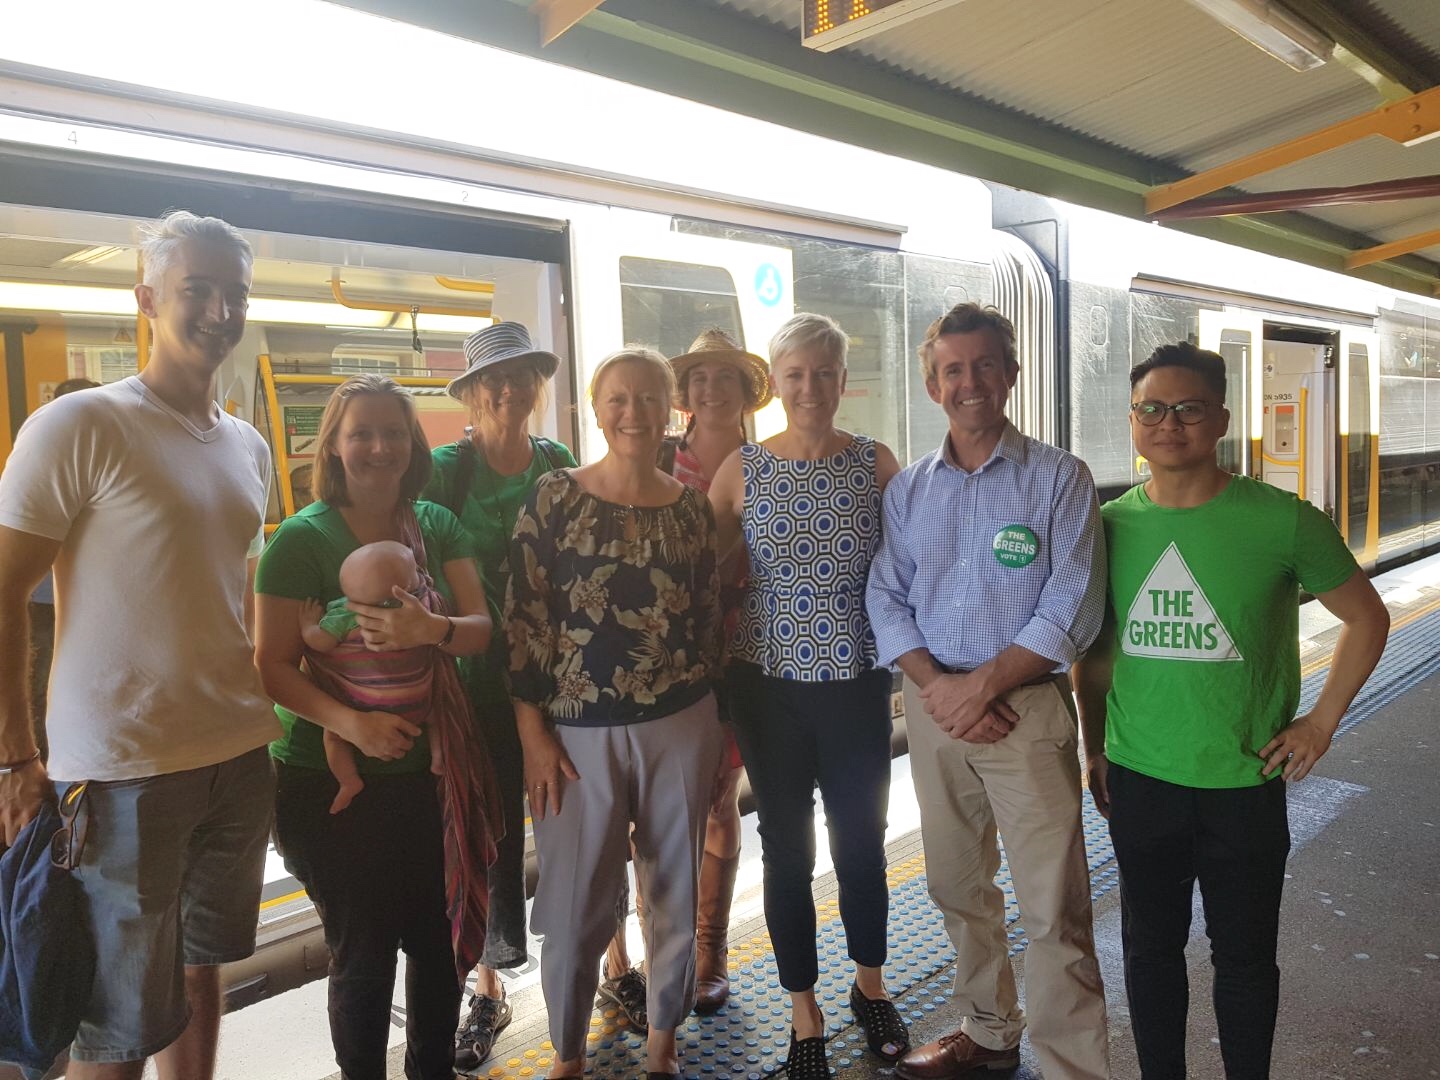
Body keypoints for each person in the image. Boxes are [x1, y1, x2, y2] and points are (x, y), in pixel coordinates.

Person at [0, 211, 276, 1080]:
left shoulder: (248, 446)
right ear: (147, 299)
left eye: (235, 291)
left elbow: (234, 592)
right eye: (199, 288)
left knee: (201, 969)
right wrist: (15, 759)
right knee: (114, 1029)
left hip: (238, 754)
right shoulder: (84, 426)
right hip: (121, 771)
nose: (221, 309)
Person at [1072, 342, 1389, 1079]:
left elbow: (1367, 619)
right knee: (1150, 953)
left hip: (1244, 782)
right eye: (1152, 408)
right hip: (1142, 777)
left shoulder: (1283, 521)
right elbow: (1094, 654)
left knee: (1244, 960)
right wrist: (1094, 746)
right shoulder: (1108, 526)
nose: (1169, 423)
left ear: (1219, 419)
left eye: (1188, 408)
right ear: (1132, 421)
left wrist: (1321, 721)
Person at [867, 302, 1110, 1080]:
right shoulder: (908, 490)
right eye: (952, 370)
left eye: (983, 366)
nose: (968, 382)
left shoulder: (1059, 477)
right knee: (956, 885)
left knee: (1053, 909)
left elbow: (1071, 603)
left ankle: (1072, 1065)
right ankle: (990, 1031)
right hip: (940, 716)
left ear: (1009, 374)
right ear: (933, 383)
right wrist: (940, 688)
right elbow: (886, 595)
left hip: (1026, 713)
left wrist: (983, 685)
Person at [254, 374, 495, 1080]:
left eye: (393, 431)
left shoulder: (437, 526)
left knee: (435, 940)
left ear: (413, 443)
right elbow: (271, 665)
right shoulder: (300, 540)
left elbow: (480, 629)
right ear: (333, 443)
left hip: (431, 775)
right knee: (361, 952)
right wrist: (352, 727)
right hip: (330, 784)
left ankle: (431, 1072)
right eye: (361, 431)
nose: (379, 446)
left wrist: (435, 626)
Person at [506, 346, 725, 1080]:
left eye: (649, 399)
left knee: (672, 890)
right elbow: (524, 621)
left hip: (682, 722)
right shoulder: (554, 497)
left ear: (672, 412)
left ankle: (663, 1045)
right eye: (618, 399)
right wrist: (532, 732)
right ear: (594, 410)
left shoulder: (692, 509)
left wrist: (717, 735)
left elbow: (707, 621)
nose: (634, 412)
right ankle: (567, 1057)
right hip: (575, 736)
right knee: (574, 907)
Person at [709, 312, 907, 1079]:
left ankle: (870, 984)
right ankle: (804, 1008)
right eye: (795, 375)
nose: (810, 388)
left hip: (857, 683)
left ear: (842, 380)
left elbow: (920, 559)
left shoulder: (875, 463)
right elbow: (693, 568)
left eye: (824, 373)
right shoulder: (744, 468)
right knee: (787, 851)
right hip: (766, 688)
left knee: (862, 843)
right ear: (777, 382)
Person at [600, 328, 772, 1023]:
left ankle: (709, 953)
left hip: (741, 651)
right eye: (697, 379)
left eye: (722, 378)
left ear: (744, 391)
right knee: (647, 812)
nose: (709, 390)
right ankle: (642, 959)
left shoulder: (770, 464)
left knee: (717, 800)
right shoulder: (655, 459)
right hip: (661, 658)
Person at [421, 320, 577, 1072]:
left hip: (556, 681)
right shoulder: (447, 471)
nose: (510, 391)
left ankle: (612, 965)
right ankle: (489, 988)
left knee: (576, 819)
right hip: (474, 683)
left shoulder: (556, 462)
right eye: (495, 381)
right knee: (485, 837)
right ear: (474, 395)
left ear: (537, 388)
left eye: (522, 378)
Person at [299, 540, 442, 814]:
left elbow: (321, 643)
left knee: (334, 735)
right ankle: (438, 757)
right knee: (438, 715)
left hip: (365, 706)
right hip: (418, 703)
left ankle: (349, 781)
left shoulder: (346, 612)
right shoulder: (419, 605)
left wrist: (307, 625)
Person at [24, 376, 100, 763]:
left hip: (86, 598)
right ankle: (43, 755)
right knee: (47, 676)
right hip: (45, 597)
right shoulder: (45, 455)